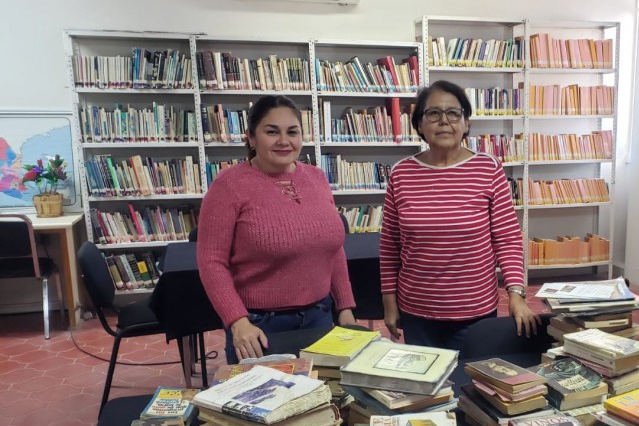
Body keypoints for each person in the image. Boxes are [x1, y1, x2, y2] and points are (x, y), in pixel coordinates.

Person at [379, 80, 537, 351]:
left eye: (454, 113)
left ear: (466, 124)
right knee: (428, 389)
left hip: (475, 309)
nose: (444, 121)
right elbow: (390, 246)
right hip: (417, 311)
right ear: (419, 124)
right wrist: (389, 304)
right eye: (433, 114)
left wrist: (517, 294)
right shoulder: (401, 173)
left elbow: (508, 239)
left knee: (475, 383)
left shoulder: (488, 168)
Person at [198, 95, 356, 364]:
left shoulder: (317, 178)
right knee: (266, 403)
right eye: (272, 132)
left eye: (292, 132)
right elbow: (211, 262)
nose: (284, 141)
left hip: (320, 317)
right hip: (259, 327)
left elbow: (333, 249)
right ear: (251, 137)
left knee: (322, 399)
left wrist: (345, 307)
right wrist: (237, 322)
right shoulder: (228, 186)